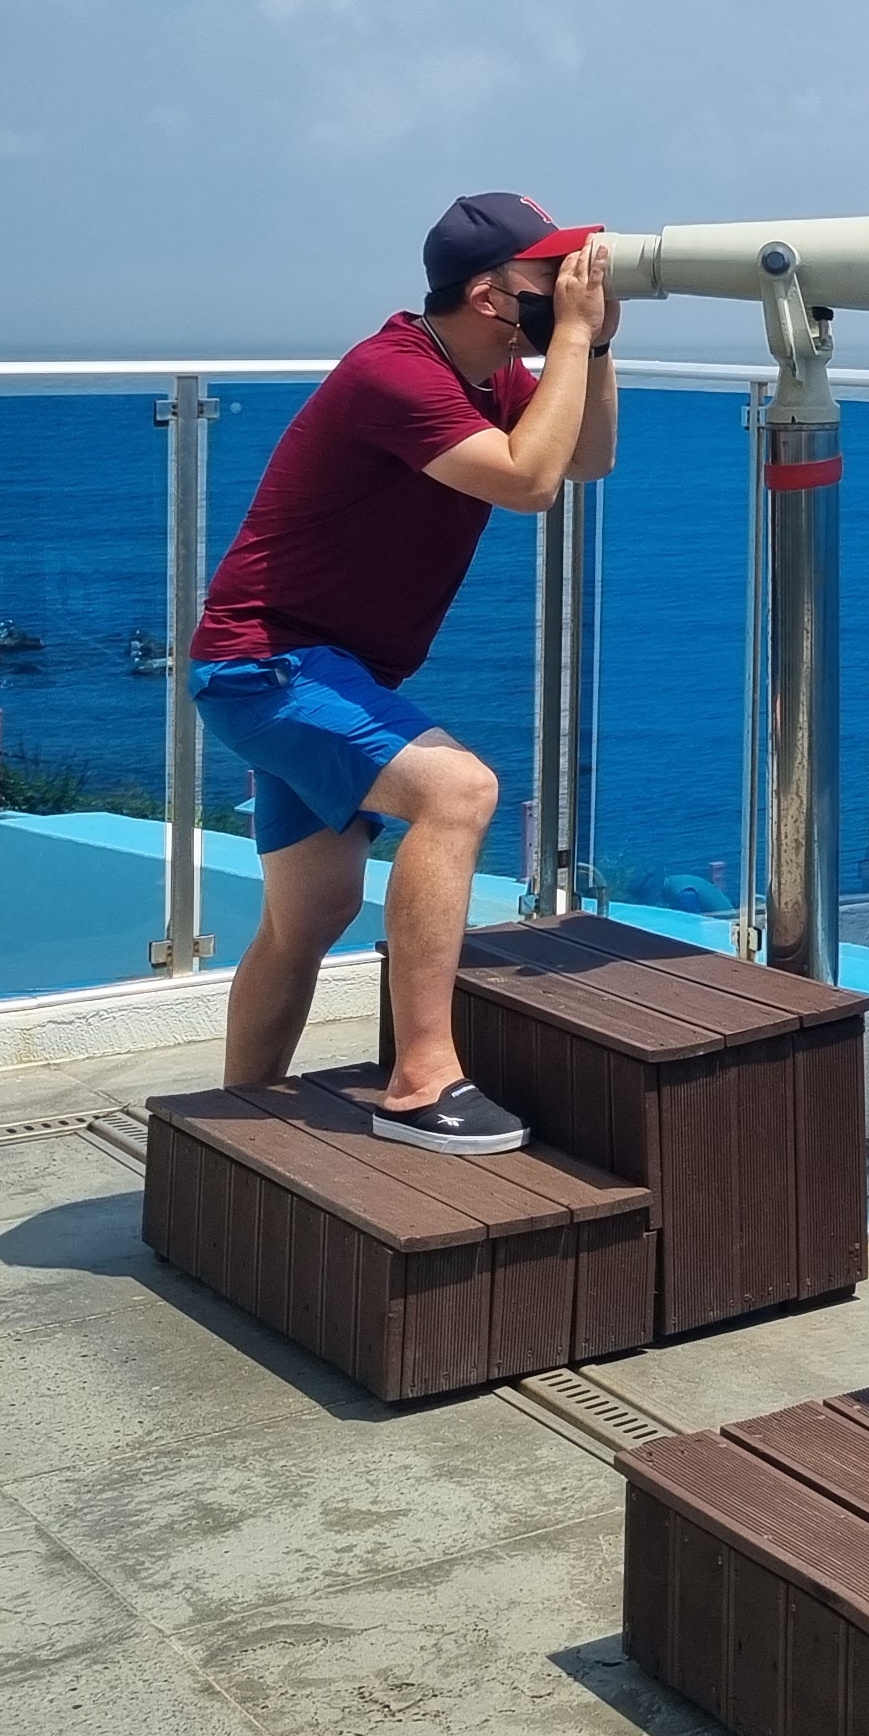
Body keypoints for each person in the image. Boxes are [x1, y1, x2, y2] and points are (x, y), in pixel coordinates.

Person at [189, 192, 620, 1150]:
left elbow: (583, 458)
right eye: (545, 276)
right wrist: (572, 333)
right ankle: (423, 1080)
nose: (564, 286)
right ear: (488, 294)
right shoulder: (394, 374)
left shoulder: (489, 378)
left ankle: (240, 1121)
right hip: (268, 664)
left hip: (315, 667)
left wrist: (591, 344)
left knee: (310, 918)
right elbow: (528, 483)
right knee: (458, 792)